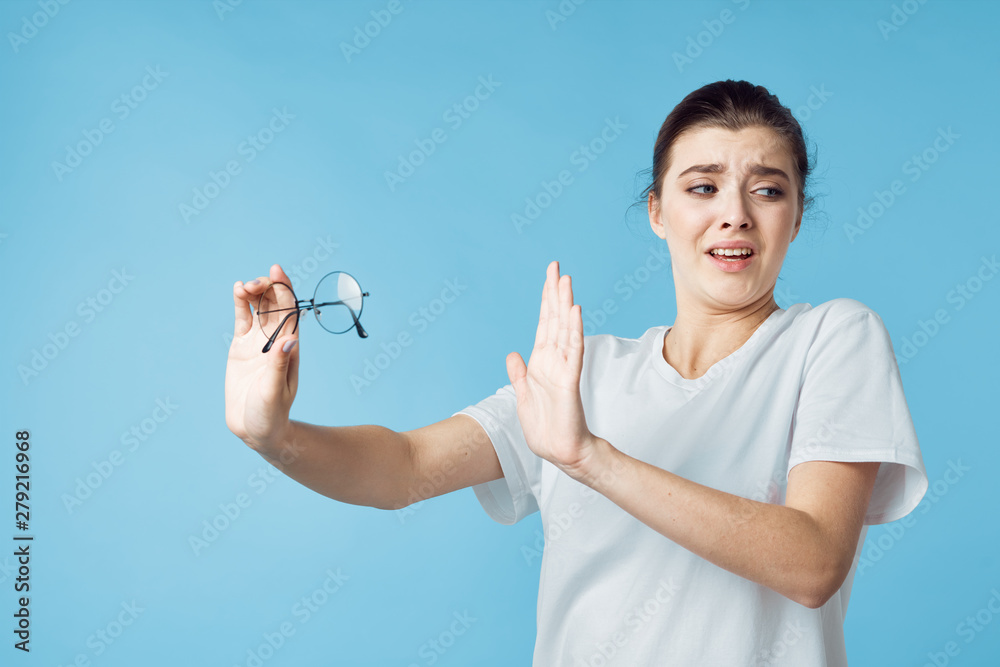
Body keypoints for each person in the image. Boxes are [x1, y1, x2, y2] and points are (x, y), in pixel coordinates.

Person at [224, 79, 928, 665]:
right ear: (657, 211)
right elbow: (405, 468)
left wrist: (590, 458)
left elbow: (813, 563)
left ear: (797, 216)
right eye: (703, 187)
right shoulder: (582, 377)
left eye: (768, 191)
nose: (734, 215)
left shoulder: (834, 338)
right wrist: (274, 436)